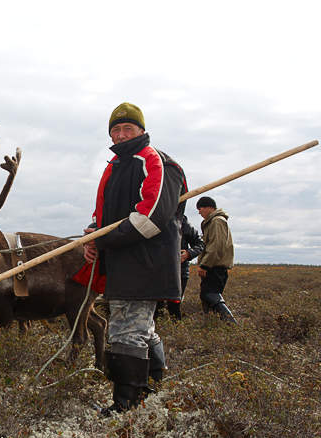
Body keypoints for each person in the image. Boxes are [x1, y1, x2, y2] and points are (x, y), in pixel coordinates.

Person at [82, 102, 186, 416]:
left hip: (145, 263)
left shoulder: (158, 162)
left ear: (141, 130)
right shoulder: (116, 167)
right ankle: (154, 384)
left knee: (126, 330)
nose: (121, 134)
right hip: (123, 264)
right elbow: (107, 217)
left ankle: (127, 405)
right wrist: (92, 234)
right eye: (116, 129)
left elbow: (151, 217)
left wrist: (101, 240)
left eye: (128, 128)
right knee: (142, 328)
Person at [196, 196, 237, 323]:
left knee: (210, 295)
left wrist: (205, 265)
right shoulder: (213, 222)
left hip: (215, 267)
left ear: (209, 207)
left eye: (200, 208)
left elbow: (216, 246)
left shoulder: (217, 221)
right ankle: (212, 326)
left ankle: (231, 324)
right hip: (213, 266)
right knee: (206, 296)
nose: (199, 212)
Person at [158, 214, 204, 319]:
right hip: (156, 272)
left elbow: (200, 244)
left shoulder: (182, 221)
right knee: (156, 307)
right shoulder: (152, 217)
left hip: (179, 272)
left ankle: (176, 330)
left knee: (174, 307)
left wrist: (188, 253)